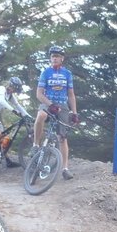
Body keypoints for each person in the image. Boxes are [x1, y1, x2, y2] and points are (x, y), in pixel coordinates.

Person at [33, 44, 79, 180]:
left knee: (62, 138)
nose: (54, 58)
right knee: (41, 115)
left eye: (57, 56)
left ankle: (65, 168)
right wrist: (50, 104)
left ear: (62, 59)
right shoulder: (45, 72)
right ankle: (35, 145)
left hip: (63, 106)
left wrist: (74, 113)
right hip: (48, 103)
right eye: (53, 56)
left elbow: (71, 95)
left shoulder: (67, 74)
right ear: (50, 58)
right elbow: (39, 94)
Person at [0, 76, 32, 167]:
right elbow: (2, 101)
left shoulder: (10, 95)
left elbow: (18, 105)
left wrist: (29, 116)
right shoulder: (1, 89)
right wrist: (13, 110)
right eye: (14, 89)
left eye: (15, 90)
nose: (13, 91)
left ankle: (7, 161)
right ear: (10, 85)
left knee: (3, 136)